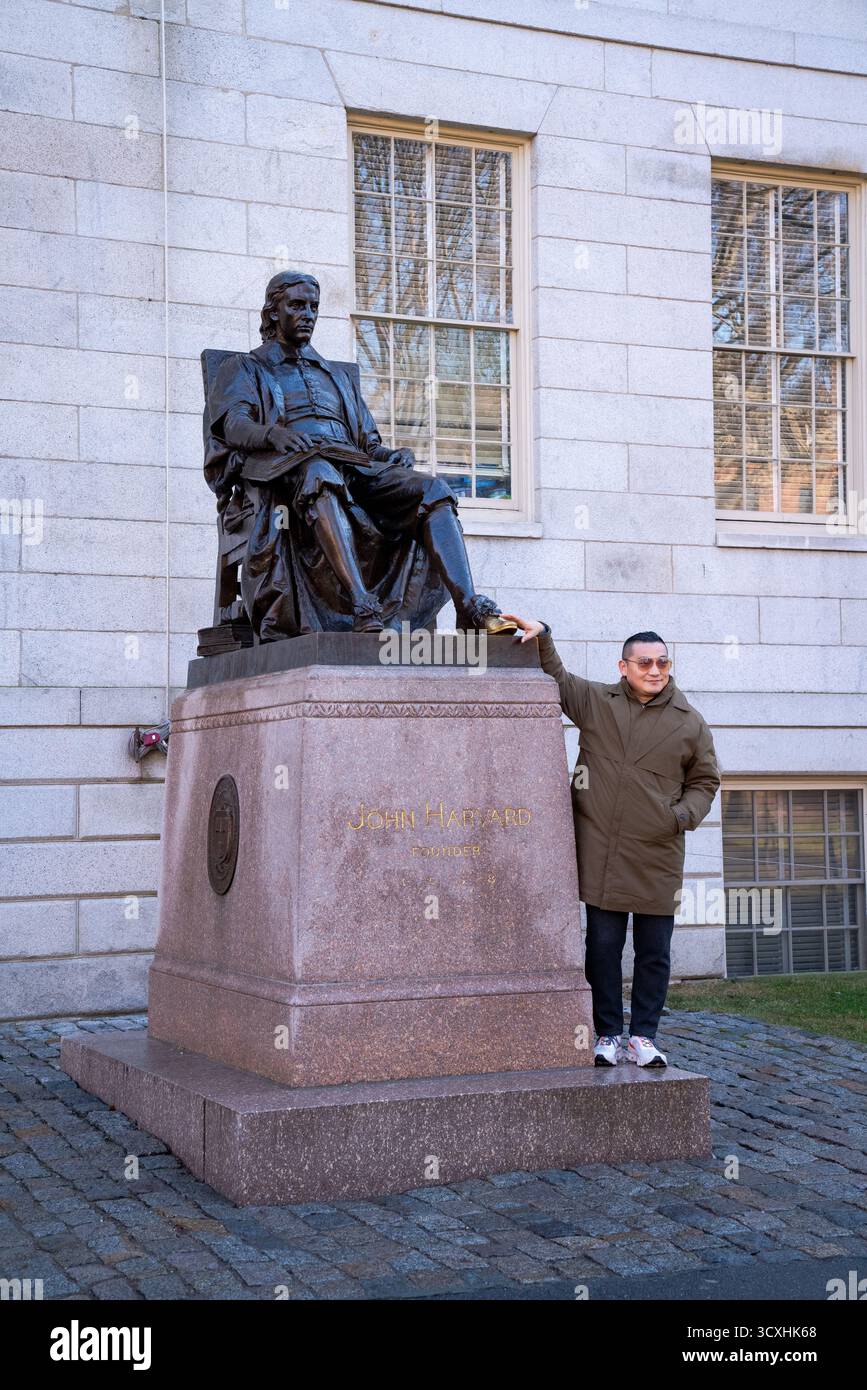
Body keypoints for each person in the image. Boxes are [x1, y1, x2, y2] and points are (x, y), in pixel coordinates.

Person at [203, 269, 511, 640]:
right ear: (273, 313)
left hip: (355, 468)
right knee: (319, 472)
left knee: (434, 490)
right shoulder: (246, 367)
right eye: (297, 305)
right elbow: (233, 425)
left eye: (314, 307)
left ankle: (469, 608)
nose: (308, 315)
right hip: (289, 470)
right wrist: (273, 435)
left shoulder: (335, 376)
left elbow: (368, 443)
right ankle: (362, 604)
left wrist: (389, 455)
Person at [503, 615, 720, 1068]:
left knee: (654, 951)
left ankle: (644, 1036)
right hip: (601, 849)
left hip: (658, 851)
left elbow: (705, 780)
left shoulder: (689, 722)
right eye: (644, 663)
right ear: (624, 667)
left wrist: (679, 817)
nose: (655, 671)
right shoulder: (597, 702)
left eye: (662, 662)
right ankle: (606, 1034)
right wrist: (544, 632)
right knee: (602, 946)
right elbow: (557, 678)